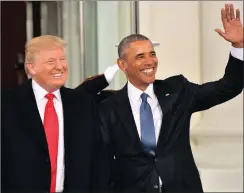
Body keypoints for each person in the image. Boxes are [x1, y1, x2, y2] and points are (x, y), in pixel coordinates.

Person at [98, 4, 243, 193]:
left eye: (152, 54)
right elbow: (102, 164)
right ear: (122, 64)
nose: (149, 61)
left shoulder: (177, 91)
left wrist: (238, 46)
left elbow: (227, 87)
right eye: (140, 57)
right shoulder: (108, 109)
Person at [1, 35, 110, 192]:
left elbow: (98, 160)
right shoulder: (6, 105)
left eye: (63, 60)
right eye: (51, 62)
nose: (60, 67)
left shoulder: (83, 103)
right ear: (31, 67)